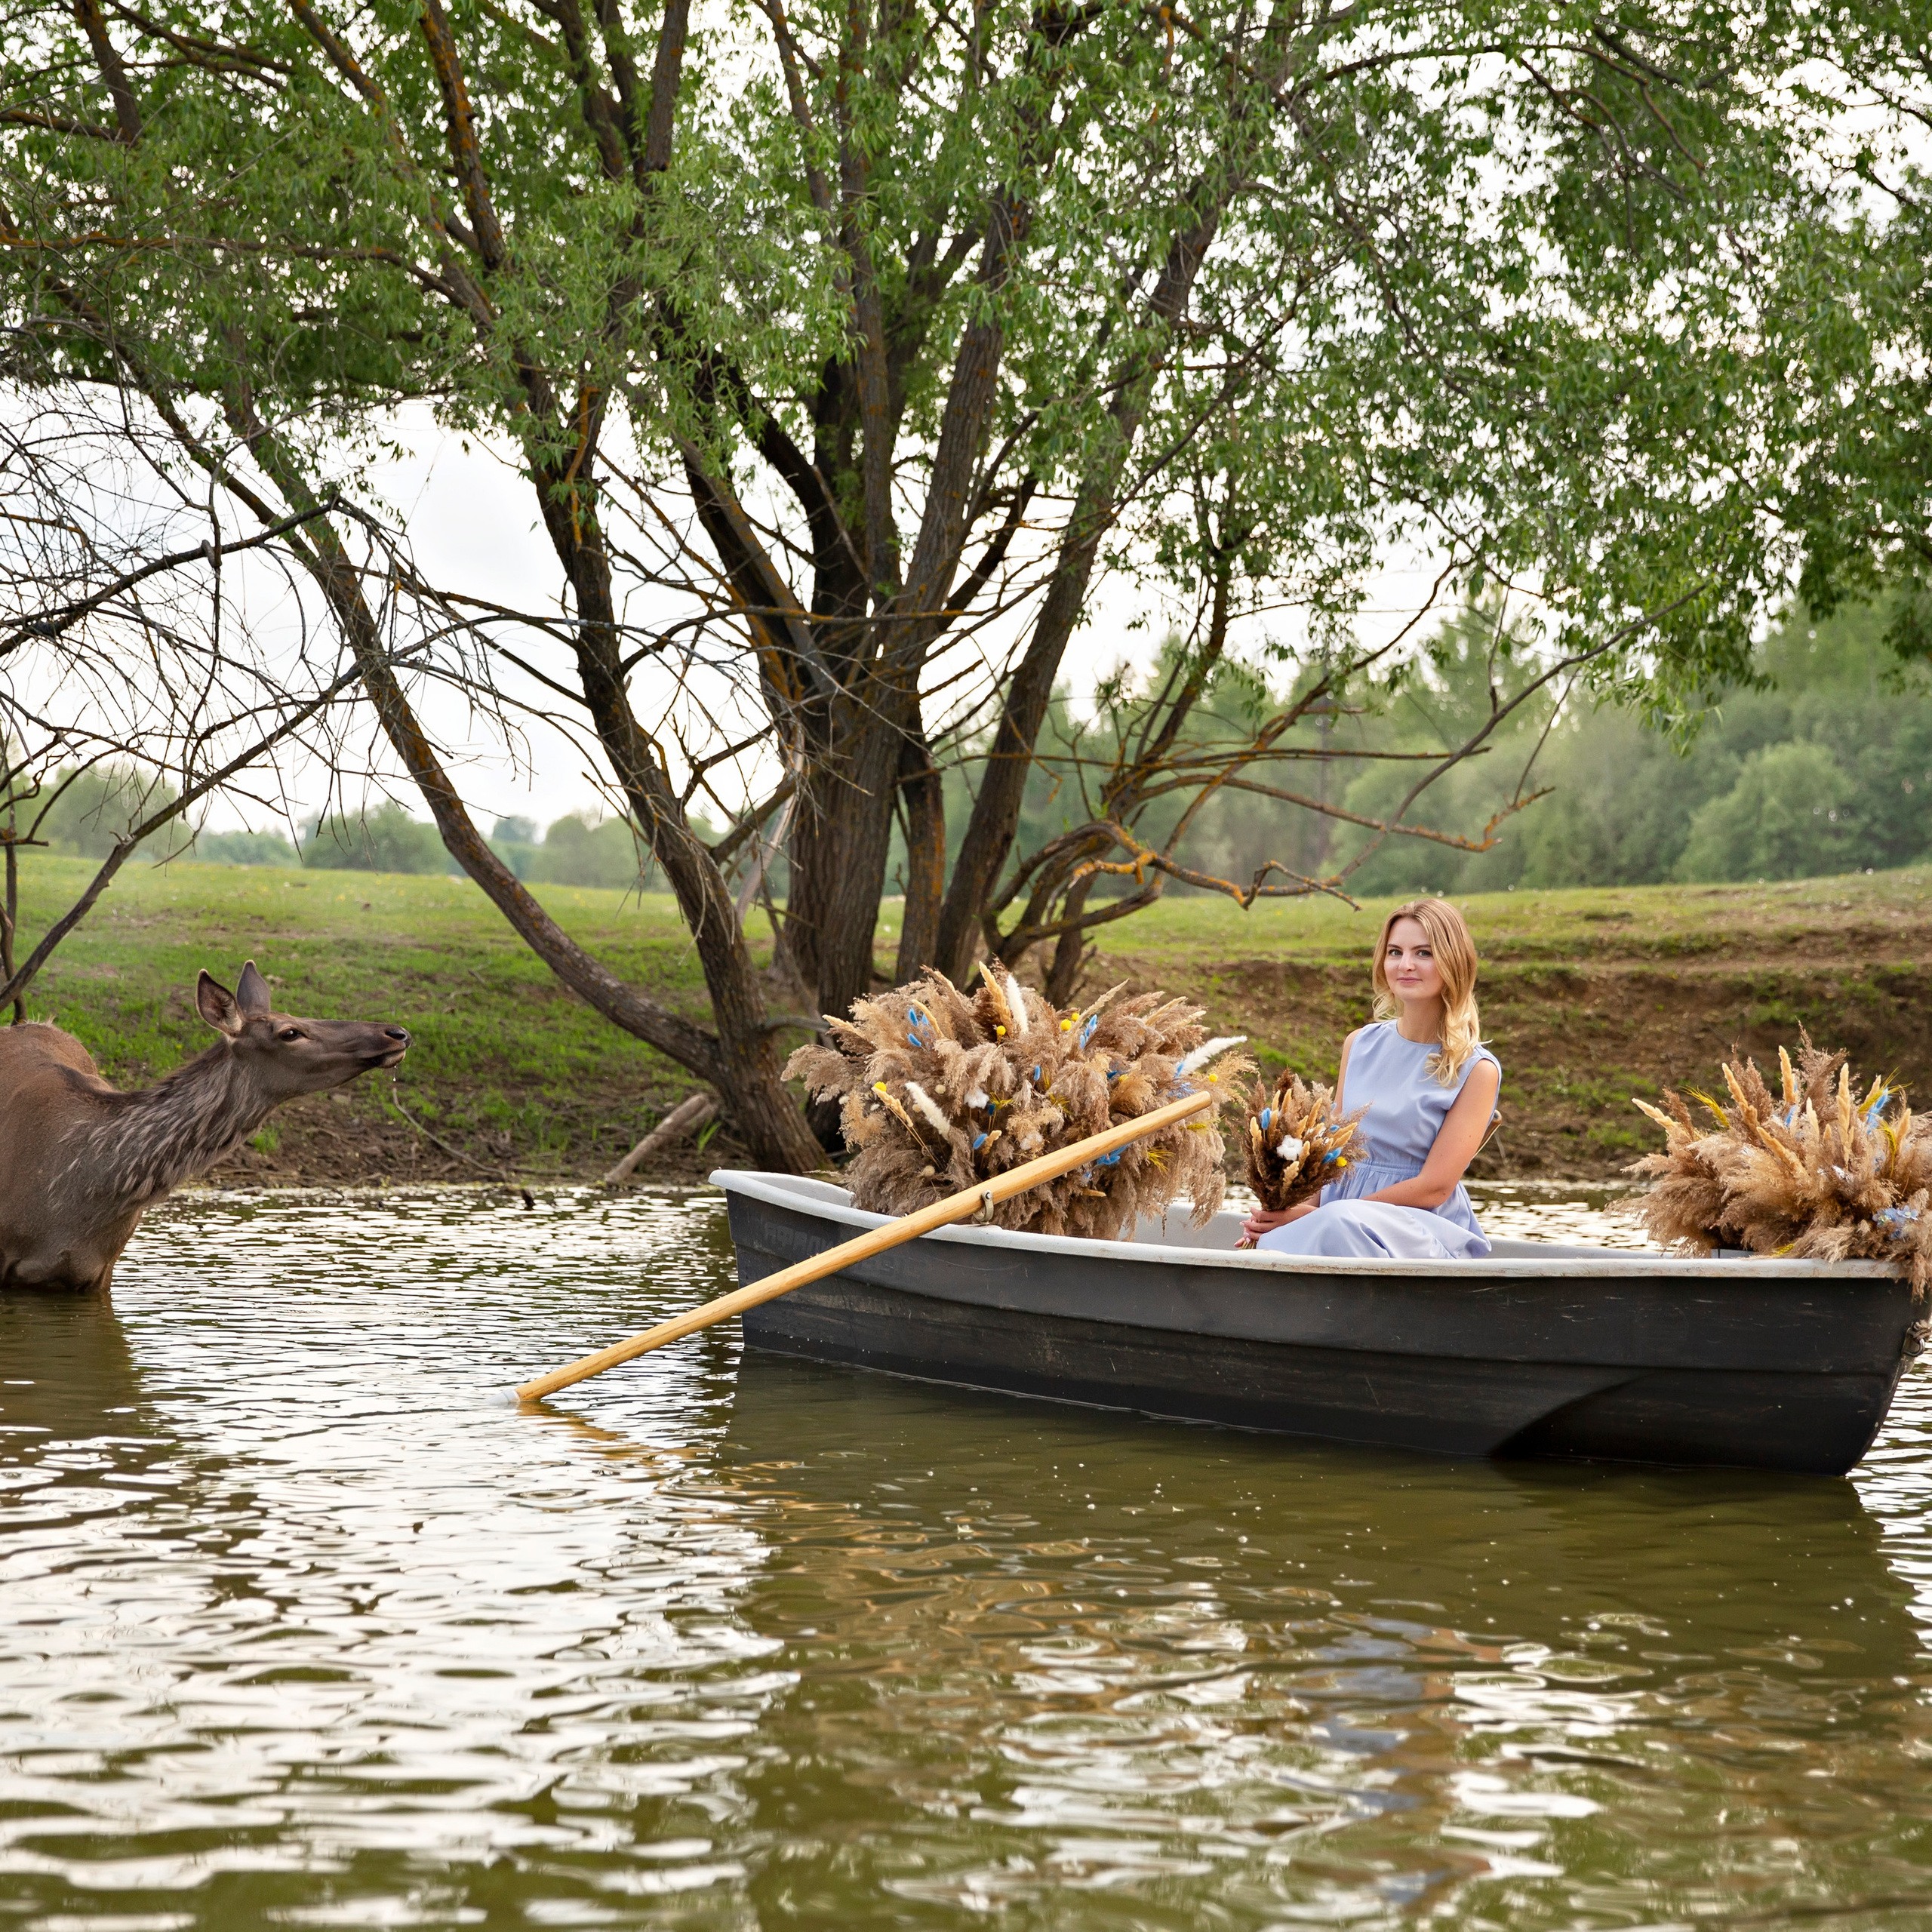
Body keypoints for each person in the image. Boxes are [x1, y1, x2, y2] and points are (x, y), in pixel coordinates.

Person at [1242, 897, 1501, 1260]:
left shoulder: (1476, 1069)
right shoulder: (1360, 1044)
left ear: (1453, 962)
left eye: (1424, 953)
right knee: (1278, 1239)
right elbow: (1330, 1153)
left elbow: (1435, 1188)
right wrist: (1293, 1212)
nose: (1406, 965)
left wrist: (1324, 1217)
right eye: (1395, 952)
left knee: (1338, 1225)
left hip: (1418, 1226)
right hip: (1338, 1214)